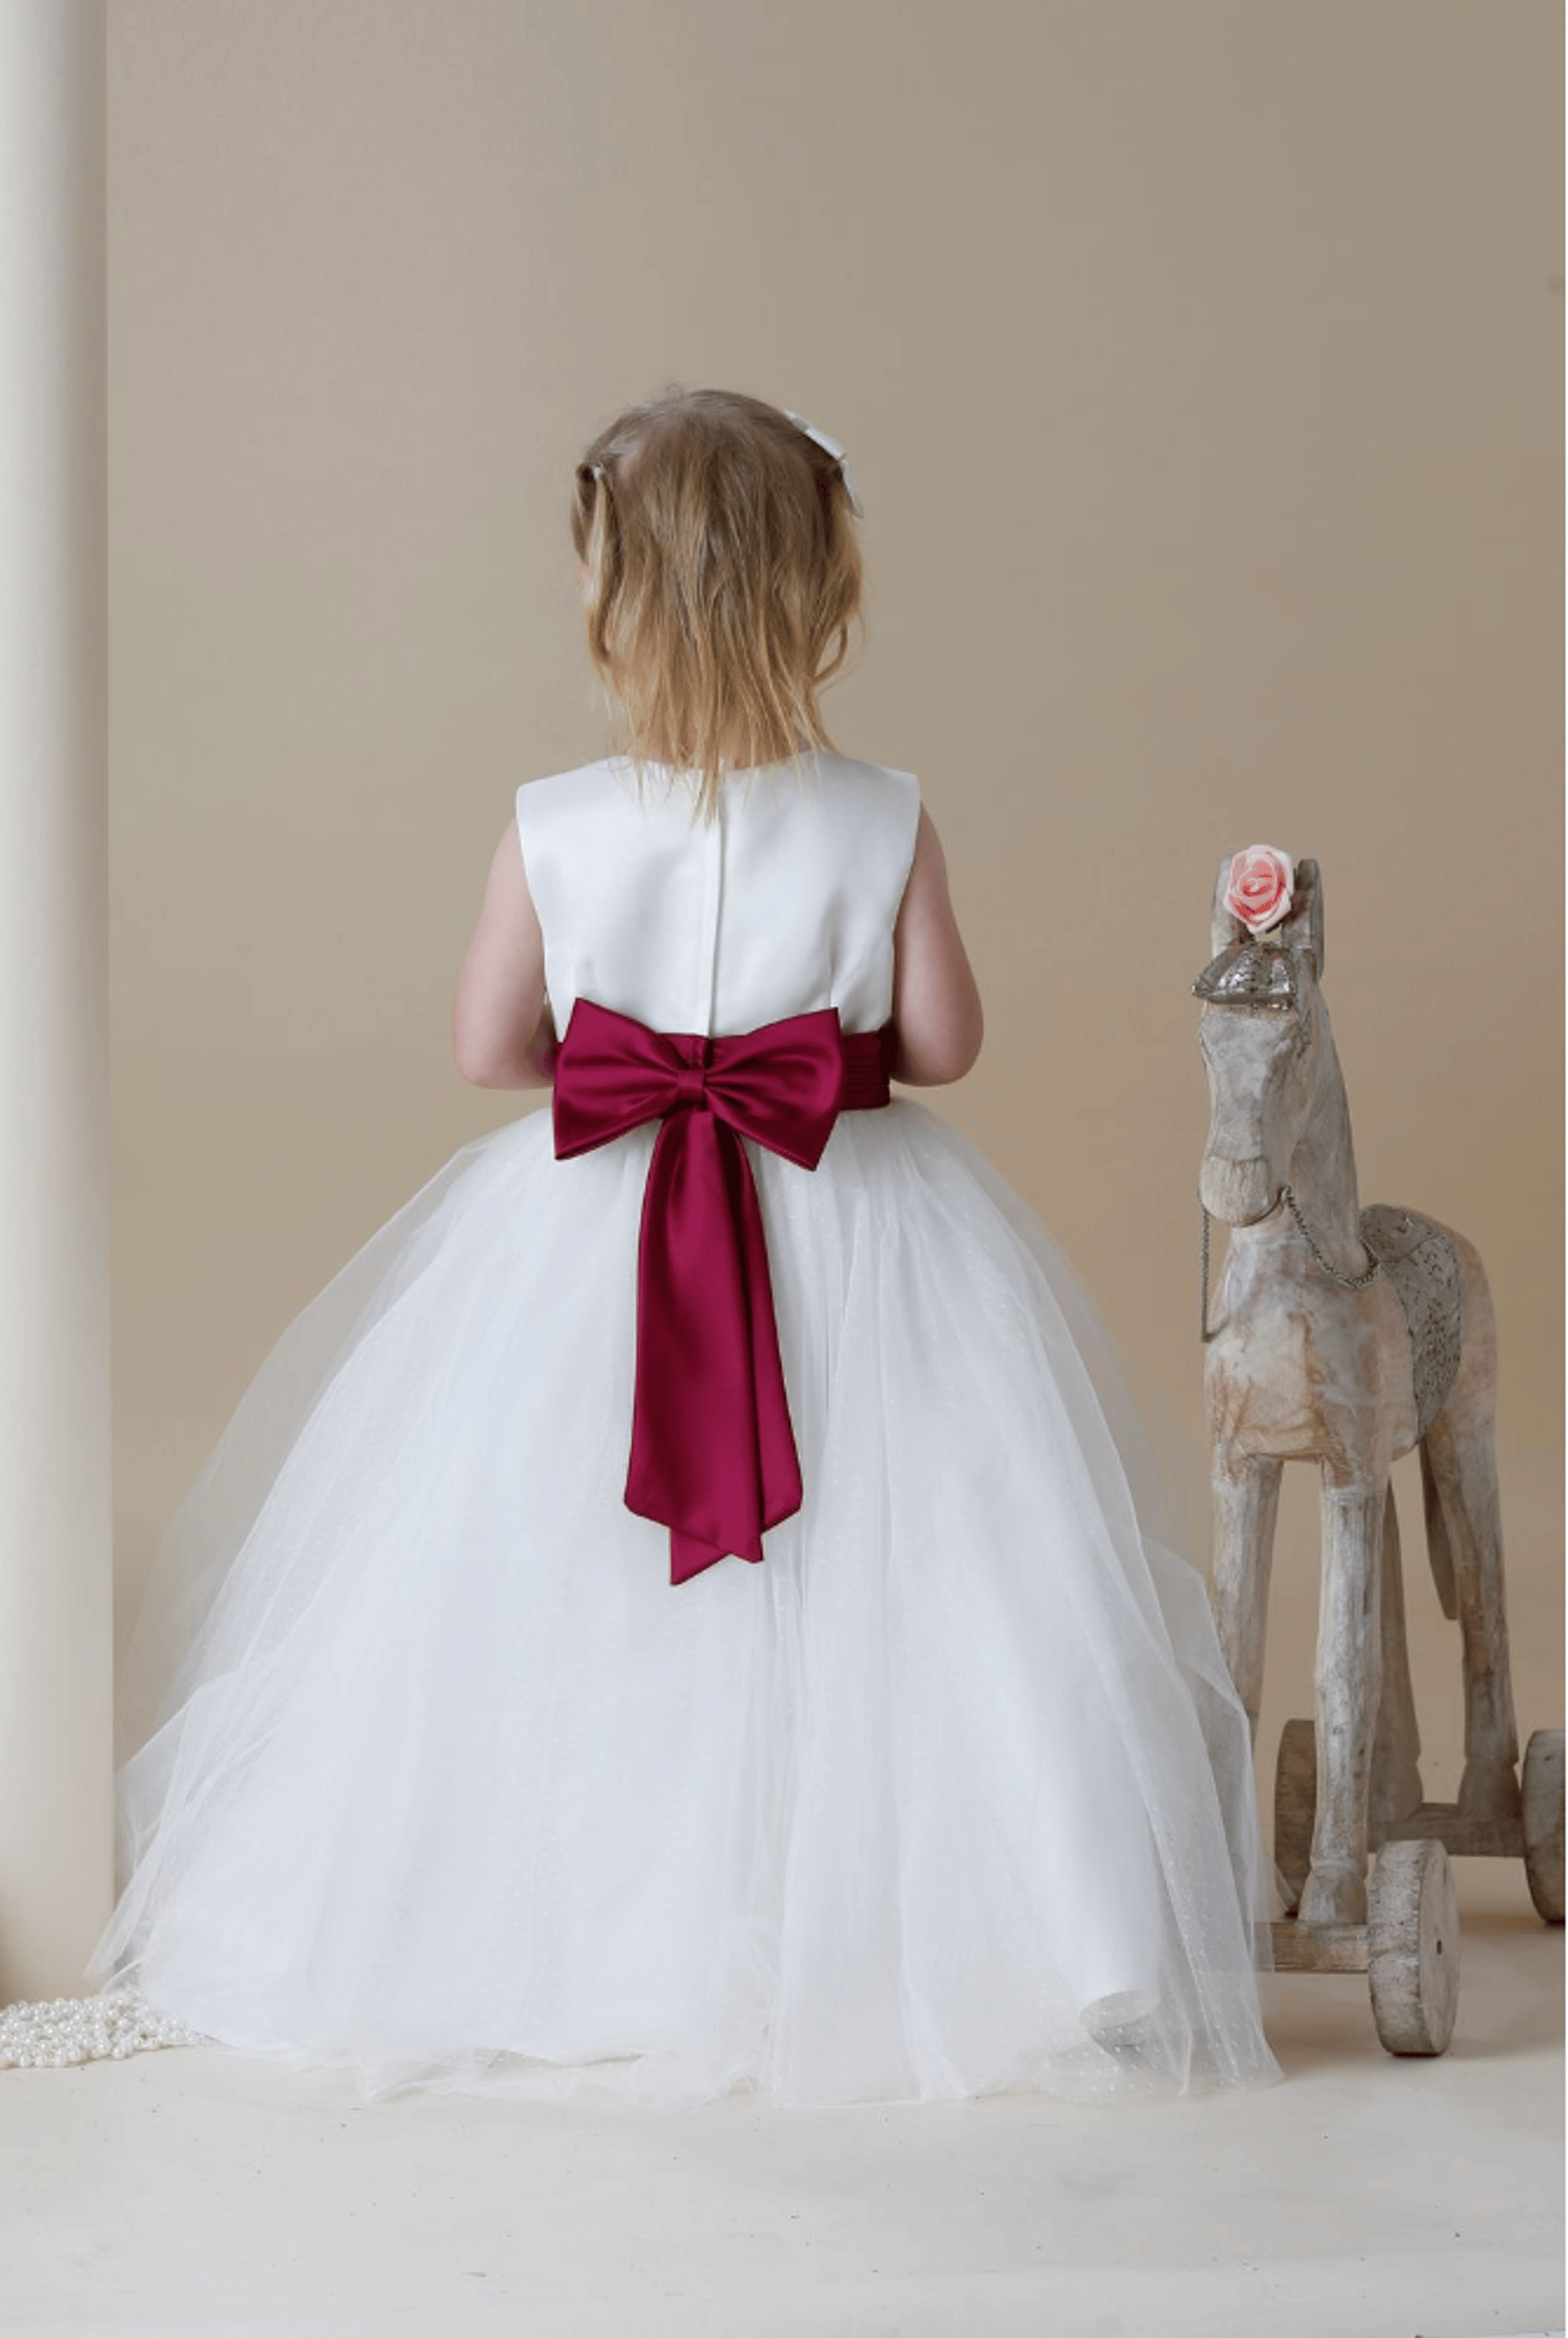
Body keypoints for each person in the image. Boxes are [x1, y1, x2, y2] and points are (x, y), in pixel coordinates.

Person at [2, 386, 1281, 2109]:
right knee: (922, 1567)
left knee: (549, 1575)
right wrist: (797, 1060)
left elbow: (484, 1044)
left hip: (591, 1231)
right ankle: (1002, 1941)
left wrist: (633, 1079)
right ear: (819, 580)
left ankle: (587, 1939)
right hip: (863, 1226)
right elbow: (948, 1040)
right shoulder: (884, 811)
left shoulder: (553, 817)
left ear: (608, 591)